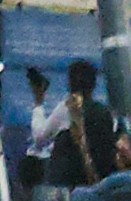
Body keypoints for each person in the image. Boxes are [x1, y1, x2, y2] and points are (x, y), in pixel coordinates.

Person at [49, 60, 120, 189]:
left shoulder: (63, 110)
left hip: (70, 185)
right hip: (101, 182)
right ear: (94, 84)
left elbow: (40, 137)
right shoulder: (104, 113)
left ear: (70, 84)